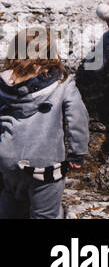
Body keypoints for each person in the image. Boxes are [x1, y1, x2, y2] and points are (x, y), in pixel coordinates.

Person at [0, 27, 90, 219]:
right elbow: (77, 118)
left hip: (6, 160)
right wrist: (77, 153)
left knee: (11, 202)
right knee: (45, 213)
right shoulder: (62, 83)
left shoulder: (3, 84)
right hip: (45, 165)